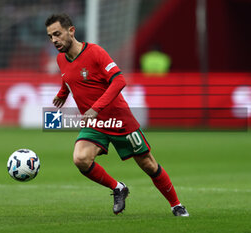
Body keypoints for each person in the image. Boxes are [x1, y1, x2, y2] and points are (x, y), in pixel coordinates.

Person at [45, 13, 189, 217]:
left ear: (71, 31)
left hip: (118, 118)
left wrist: (95, 108)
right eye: (50, 36)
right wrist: (62, 93)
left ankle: (176, 205)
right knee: (81, 159)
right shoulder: (61, 59)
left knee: (148, 163)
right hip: (94, 124)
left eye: (57, 34)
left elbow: (119, 80)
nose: (54, 40)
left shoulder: (95, 52)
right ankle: (118, 188)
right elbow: (69, 78)